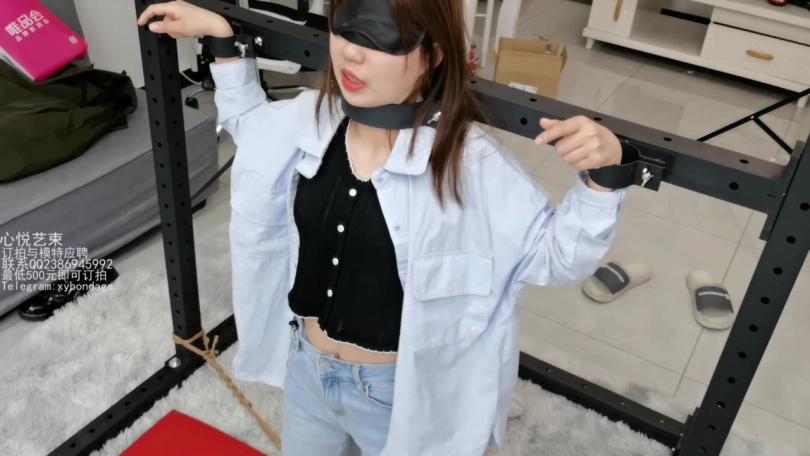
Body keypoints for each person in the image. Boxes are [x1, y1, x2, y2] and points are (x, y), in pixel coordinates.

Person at [138, 1, 629, 455]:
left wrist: (603, 179)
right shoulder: (311, 118)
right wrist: (222, 40)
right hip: (306, 370)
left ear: (433, 53)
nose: (351, 53)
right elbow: (251, 126)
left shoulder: (470, 165)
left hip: (396, 396)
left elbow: (556, 255)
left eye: (380, 38)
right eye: (344, 28)